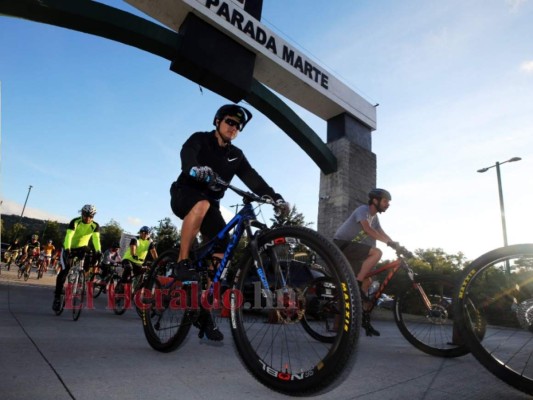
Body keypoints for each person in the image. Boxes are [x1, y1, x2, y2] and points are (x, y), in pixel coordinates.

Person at [169, 103, 289, 341]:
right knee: (202, 204)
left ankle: (202, 306)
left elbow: (253, 179)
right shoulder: (200, 139)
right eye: (230, 122)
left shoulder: (236, 155)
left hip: (210, 205)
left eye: (238, 126)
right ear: (218, 122)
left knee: (222, 251)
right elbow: (187, 155)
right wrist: (194, 169)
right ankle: (182, 261)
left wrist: (275, 197)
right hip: (185, 193)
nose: (234, 128)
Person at [333, 188, 399, 337]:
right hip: (341, 244)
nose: (387, 204)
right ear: (375, 201)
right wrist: (389, 244)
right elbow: (368, 230)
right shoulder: (363, 210)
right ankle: (357, 282)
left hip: (350, 248)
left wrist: (395, 244)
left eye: (388, 202)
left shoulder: (374, 218)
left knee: (367, 282)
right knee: (377, 253)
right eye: (385, 201)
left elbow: (381, 232)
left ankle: (353, 317)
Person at [52, 204, 102, 312]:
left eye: (90, 216)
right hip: (69, 247)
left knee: (93, 254)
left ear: (93, 216)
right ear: (82, 214)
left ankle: (83, 276)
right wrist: (67, 249)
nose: (88, 218)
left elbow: (96, 239)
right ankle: (57, 297)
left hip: (82, 248)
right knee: (65, 271)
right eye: (85, 215)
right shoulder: (75, 221)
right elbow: (69, 236)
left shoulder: (95, 225)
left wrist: (98, 251)